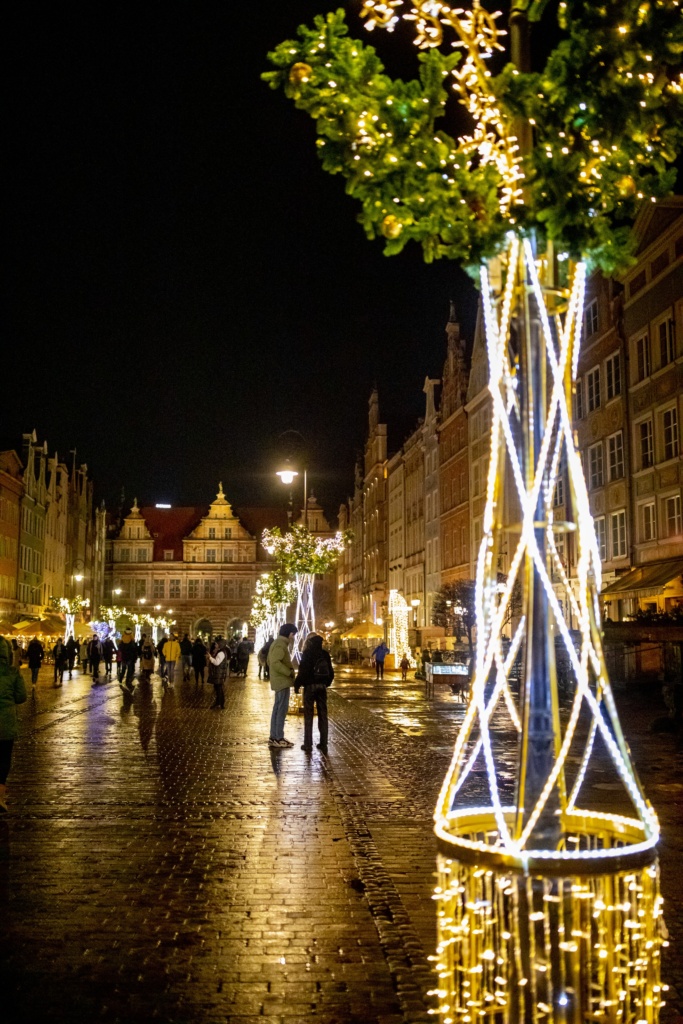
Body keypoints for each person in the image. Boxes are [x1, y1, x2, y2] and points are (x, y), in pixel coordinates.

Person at [0, 635, 28, 813]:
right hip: (6, 724)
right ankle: (0, 796)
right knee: (3, 760)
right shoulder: (12, 672)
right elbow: (21, 697)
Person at [295, 632, 334, 753]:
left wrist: (297, 685)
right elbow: (331, 672)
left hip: (309, 687)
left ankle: (307, 744)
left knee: (308, 715)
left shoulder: (307, 654)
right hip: (322, 687)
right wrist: (326, 683)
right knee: (323, 714)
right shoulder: (325, 654)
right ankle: (323, 743)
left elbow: (302, 672)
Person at [267, 624, 297, 748]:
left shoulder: (277, 643)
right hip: (282, 681)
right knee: (281, 710)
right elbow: (274, 662)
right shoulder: (280, 644)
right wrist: (288, 672)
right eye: (293, 634)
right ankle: (278, 737)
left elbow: (270, 661)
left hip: (279, 680)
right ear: (289, 634)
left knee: (277, 709)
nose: (294, 637)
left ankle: (274, 737)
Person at [208, 635, 228, 709]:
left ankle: (218, 703)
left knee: (218, 689)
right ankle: (221, 703)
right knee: (219, 689)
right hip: (218, 673)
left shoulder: (221, 653)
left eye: (216, 644)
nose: (215, 645)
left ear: (220, 645)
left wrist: (210, 658)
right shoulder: (220, 652)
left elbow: (217, 662)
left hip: (219, 673)